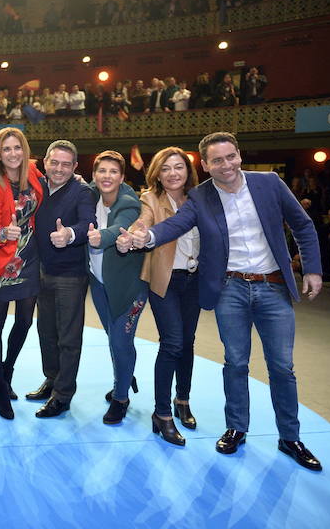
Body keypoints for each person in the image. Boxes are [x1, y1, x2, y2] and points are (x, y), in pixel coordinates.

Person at [129, 132, 324, 471]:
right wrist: (147, 236)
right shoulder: (201, 196)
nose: (226, 165)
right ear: (205, 165)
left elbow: (303, 226)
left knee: (281, 367)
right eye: (217, 160)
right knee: (235, 362)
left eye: (230, 157)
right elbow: (176, 225)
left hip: (273, 286)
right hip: (230, 288)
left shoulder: (269, 183)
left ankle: (290, 437)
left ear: (239, 155)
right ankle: (236, 428)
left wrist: (313, 270)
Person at [117, 147, 200, 446]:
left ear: (188, 171)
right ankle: (162, 414)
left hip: (195, 280)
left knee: (187, 342)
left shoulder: (200, 199)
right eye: (166, 168)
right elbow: (143, 222)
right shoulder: (150, 199)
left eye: (179, 167)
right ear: (157, 173)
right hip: (166, 281)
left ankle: (183, 400)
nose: (173, 173)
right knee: (173, 342)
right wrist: (134, 235)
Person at [28, 140, 96, 419]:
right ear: (44, 162)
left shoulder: (82, 191)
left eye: (66, 164)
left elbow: (87, 223)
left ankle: (63, 395)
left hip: (70, 274)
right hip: (41, 271)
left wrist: (69, 234)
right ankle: (52, 379)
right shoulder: (37, 187)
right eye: (54, 162)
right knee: (46, 332)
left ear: (75, 167)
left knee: (68, 337)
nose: (59, 169)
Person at [0, 127, 43, 419]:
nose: (13, 153)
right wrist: (4, 232)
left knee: (24, 323)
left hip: (30, 257)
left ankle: (6, 372)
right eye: (6, 149)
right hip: (3, 259)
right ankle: (0, 386)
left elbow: (53, 187)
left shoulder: (33, 172)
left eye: (17, 147)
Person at [87, 150, 148, 425]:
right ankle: (122, 379)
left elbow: (120, 228)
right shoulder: (90, 194)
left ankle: (121, 398)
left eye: (113, 171)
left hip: (129, 287)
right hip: (99, 284)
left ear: (122, 177)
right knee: (114, 339)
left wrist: (101, 236)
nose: (107, 176)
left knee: (121, 341)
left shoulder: (128, 202)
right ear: (94, 175)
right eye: (102, 171)